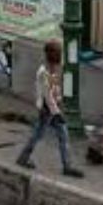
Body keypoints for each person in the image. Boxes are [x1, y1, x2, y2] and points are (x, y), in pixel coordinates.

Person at [16, 39, 83, 178]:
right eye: (58, 52)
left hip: (53, 108)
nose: (60, 55)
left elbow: (55, 91)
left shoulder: (55, 69)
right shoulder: (43, 72)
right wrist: (57, 112)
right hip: (48, 110)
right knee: (44, 135)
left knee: (49, 135)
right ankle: (66, 166)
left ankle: (65, 165)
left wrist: (60, 103)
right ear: (50, 54)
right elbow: (47, 95)